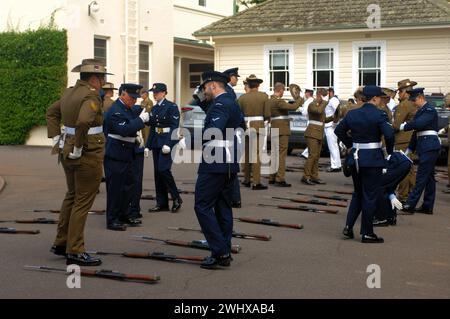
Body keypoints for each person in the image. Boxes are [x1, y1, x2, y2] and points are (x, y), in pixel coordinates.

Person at [46, 58, 109, 266]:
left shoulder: (69, 92)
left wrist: (57, 138)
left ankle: (61, 242)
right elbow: (84, 121)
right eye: (101, 78)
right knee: (83, 201)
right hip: (87, 152)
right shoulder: (90, 94)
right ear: (93, 78)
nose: (103, 83)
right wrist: (79, 145)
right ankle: (75, 250)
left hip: (67, 151)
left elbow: (51, 112)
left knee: (72, 196)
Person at [194, 71, 243, 269]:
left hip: (216, 161)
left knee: (202, 205)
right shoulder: (231, 102)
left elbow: (213, 132)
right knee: (223, 206)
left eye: (205, 87)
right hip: (228, 161)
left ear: (213, 86)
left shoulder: (221, 105)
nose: (203, 91)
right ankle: (224, 249)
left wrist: (195, 138)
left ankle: (220, 250)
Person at [335, 85, 394, 243]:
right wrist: (389, 152)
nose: (382, 100)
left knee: (358, 194)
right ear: (374, 98)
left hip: (355, 158)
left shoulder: (353, 113)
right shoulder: (379, 114)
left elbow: (339, 131)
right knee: (369, 196)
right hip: (372, 159)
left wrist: (351, 144)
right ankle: (367, 233)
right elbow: (389, 135)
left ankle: (348, 227)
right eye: (380, 98)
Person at [103, 83, 148, 231]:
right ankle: (112, 219)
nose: (134, 101)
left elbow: (139, 112)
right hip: (116, 154)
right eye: (131, 97)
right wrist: (141, 120)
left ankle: (124, 214)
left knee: (127, 187)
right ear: (122, 94)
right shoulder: (116, 110)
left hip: (127, 153)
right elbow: (124, 129)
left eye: (136, 98)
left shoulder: (127, 108)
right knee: (115, 188)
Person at [400, 88, 440, 215]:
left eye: (415, 100)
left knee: (421, 177)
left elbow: (418, 125)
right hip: (425, 146)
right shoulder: (421, 111)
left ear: (421, 97)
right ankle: (427, 206)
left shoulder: (429, 110)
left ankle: (410, 205)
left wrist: (404, 126)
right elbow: (416, 133)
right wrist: (410, 148)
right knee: (429, 178)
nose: (413, 103)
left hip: (429, 146)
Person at [146, 83, 182, 213]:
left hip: (167, 142)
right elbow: (153, 128)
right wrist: (147, 145)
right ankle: (162, 203)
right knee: (158, 173)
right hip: (156, 142)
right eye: (154, 93)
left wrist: (168, 143)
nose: (155, 94)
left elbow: (174, 126)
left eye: (157, 92)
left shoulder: (171, 107)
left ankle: (176, 197)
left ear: (164, 93)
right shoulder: (154, 108)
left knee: (163, 169)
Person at [267, 82, 303, 187]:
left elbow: (278, 115)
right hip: (282, 130)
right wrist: (299, 99)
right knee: (282, 154)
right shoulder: (278, 101)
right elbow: (293, 107)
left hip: (274, 128)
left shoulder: (270, 101)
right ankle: (280, 179)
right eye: (283, 91)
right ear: (281, 90)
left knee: (274, 153)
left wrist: (287, 118)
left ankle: (272, 177)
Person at [238, 75, 270, 190]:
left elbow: (238, 114)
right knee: (256, 154)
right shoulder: (264, 97)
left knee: (247, 153)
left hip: (246, 127)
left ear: (248, 85)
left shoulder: (242, 98)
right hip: (258, 127)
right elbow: (267, 114)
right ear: (258, 85)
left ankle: (246, 179)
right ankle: (256, 182)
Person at [393, 79, 418, 202]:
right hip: (412, 139)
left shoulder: (404, 105)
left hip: (403, 140)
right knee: (410, 169)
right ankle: (412, 193)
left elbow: (396, 125)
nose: (398, 95)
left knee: (403, 169)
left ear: (404, 92)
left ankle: (403, 195)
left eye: (399, 92)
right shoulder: (414, 103)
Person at [302, 88, 333, 185]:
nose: (325, 100)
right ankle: (306, 176)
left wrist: (334, 117)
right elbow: (319, 112)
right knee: (312, 156)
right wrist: (324, 102)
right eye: (324, 97)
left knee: (316, 157)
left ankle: (314, 176)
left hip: (318, 133)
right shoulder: (312, 104)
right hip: (312, 133)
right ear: (319, 95)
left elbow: (322, 119)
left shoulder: (320, 105)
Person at [222, 67, 244, 207]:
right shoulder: (228, 91)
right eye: (235, 77)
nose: (237, 79)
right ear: (230, 77)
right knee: (230, 167)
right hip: (231, 131)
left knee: (230, 168)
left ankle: (234, 198)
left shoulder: (229, 91)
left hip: (231, 132)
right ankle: (233, 197)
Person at [373, 151, 412, 226]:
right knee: (387, 186)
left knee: (381, 187)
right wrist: (391, 196)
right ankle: (391, 217)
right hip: (404, 163)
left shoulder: (375, 161)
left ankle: (382, 218)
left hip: (399, 164)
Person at [325, 88, 342, 172]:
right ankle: (336, 164)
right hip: (329, 126)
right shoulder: (331, 100)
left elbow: (338, 111)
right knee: (333, 146)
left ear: (330, 92)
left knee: (333, 146)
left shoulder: (333, 100)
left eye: (327, 92)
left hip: (331, 126)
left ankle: (335, 166)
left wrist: (335, 123)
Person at [299, 89, 315, 159]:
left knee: (310, 139)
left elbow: (304, 113)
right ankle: (306, 153)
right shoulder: (313, 100)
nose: (305, 94)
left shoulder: (308, 101)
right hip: (313, 121)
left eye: (305, 92)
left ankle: (307, 154)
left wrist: (299, 108)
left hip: (310, 121)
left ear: (308, 93)